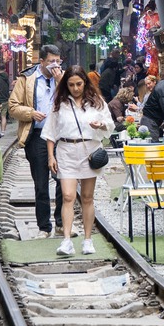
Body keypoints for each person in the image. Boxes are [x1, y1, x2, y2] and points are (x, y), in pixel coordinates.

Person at [47, 66, 114, 256]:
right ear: (65, 85)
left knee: (87, 197)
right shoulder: (59, 103)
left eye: (79, 84)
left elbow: (110, 125)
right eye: (71, 85)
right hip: (66, 150)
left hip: (89, 150)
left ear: (85, 82)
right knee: (68, 196)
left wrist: (100, 125)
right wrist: (51, 156)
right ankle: (67, 240)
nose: (75, 88)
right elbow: (50, 132)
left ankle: (87, 239)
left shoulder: (97, 102)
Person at [6, 45, 64, 236]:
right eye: (51, 62)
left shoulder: (64, 79)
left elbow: (74, 101)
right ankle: (44, 226)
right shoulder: (27, 79)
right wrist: (30, 113)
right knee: (41, 184)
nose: (55, 65)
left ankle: (61, 222)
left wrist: (60, 82)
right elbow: (12, 107)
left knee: (63, 180)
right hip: (37, 136)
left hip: (60, 136)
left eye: (58, 61)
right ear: (42, 62)